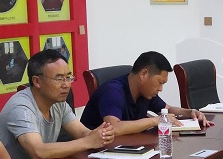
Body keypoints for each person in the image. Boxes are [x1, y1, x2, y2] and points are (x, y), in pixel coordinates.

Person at [0, 49, 114, 159]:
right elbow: (38, 152)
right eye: (59, 79)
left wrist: (101, 134)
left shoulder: (58, 103)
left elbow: (83, 133)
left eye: (68, 77)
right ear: (37, 81)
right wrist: (88, 142)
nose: (66, 85)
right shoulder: (21, 107)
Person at [80, 51, 211, 134]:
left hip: (128, 148)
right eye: (160, 82)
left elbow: (167, 109)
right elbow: (114, 127)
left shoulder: (145, 92)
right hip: (95, 155)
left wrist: (190, 112)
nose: (160, 89)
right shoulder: (113, 91)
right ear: (144, 74)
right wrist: (155, 121)